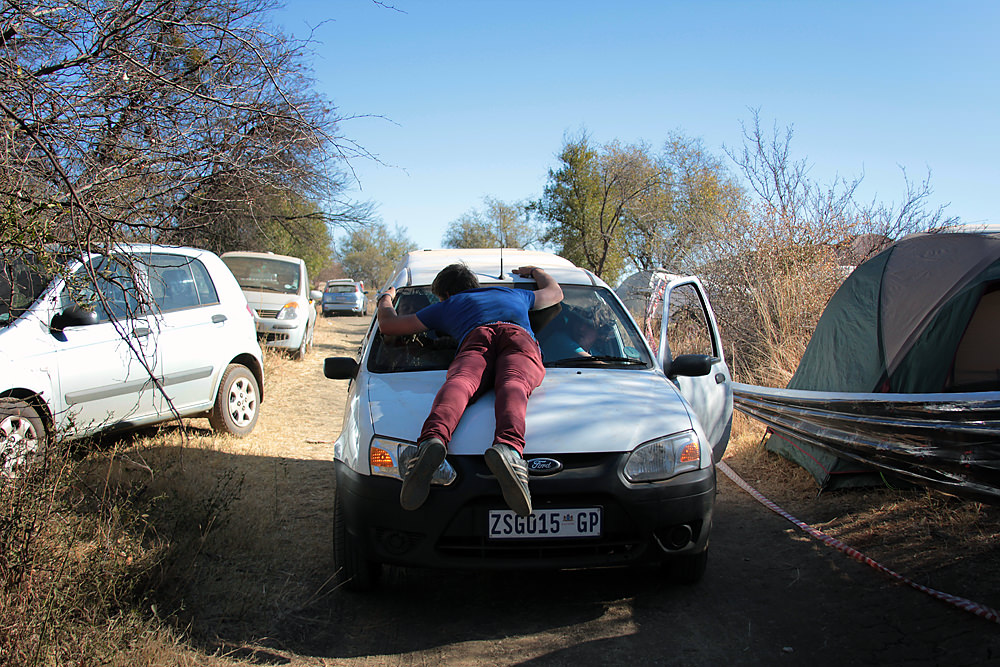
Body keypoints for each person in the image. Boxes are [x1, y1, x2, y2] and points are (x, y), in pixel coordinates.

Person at [375, 263, 563, 517]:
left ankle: (432, 440)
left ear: (445, 294)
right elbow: (555, 293)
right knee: (513, 383)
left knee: (461, 382)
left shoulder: (448, 305)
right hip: (518, 337)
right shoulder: (513, 294)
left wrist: (386, 298)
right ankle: (508, 448)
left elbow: (389, 325)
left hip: (477, 337)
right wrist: (536, 272)